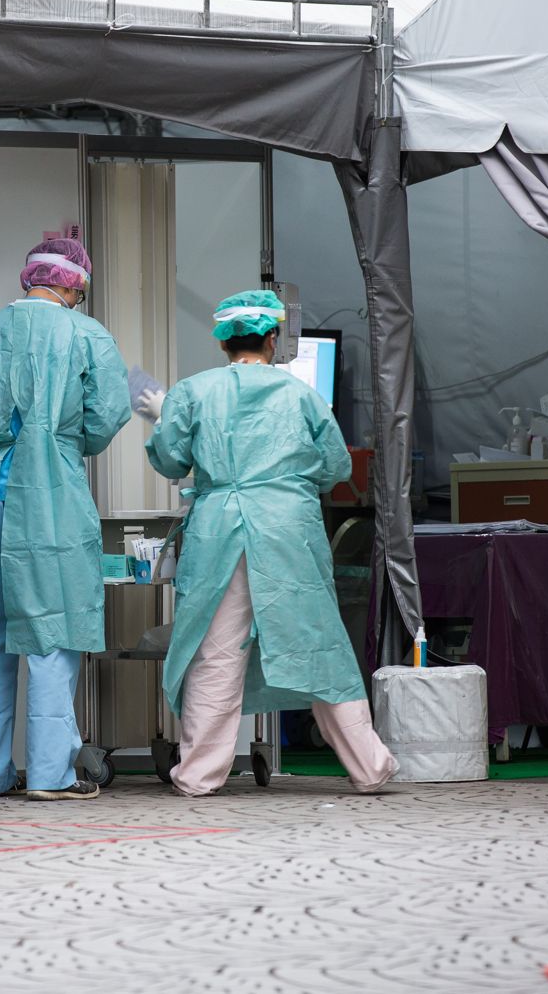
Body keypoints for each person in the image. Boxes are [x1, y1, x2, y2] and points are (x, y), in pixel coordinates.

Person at [139, 289, 396, 797]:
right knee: (320, 646)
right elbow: (335, 466)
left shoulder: (194, 392)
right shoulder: (300, 395)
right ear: (273, 340)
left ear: (222, 343)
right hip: (288, 530)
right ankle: (370, 766)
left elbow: (170, 460)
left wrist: (164, 417)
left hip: (220, 533)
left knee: (216, 652)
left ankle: (199, 774)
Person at [0, 237, 131, 802]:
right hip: (51, 495)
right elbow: (107, 414)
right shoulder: (87, 335)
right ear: (74, 286)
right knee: (52, 635)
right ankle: (50, 775)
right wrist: (59, 442)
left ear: (30, 280)